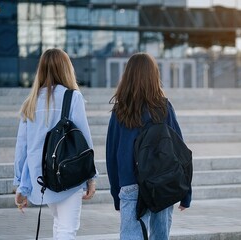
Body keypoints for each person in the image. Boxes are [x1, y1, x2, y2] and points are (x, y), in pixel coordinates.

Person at [106, 52, 192, 240]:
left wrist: (116, 195)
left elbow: (111, 156)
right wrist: (186, 193)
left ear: (127, 76)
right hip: (161, 182)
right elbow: (181, 153)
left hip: (129, 185)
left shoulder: (120, 111)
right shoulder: (163, 108)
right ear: (154, 76)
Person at [13, 48, 97, 239]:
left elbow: (22, 148)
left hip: (41, 177)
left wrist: (21, 184)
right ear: (66, 69)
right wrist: (91, 177)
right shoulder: (73, 97)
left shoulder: (30, 103)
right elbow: (84, 139)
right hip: (68, 174)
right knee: (67, 228)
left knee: (60, 224)